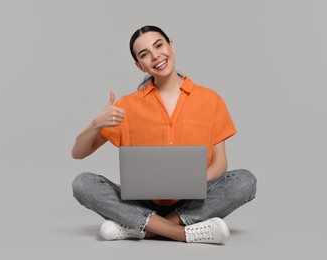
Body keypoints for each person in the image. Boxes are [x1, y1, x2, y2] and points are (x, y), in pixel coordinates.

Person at [71, 25, 257, 244]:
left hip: (193, 199)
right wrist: (96, 123)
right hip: (141, 201)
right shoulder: (127, 105)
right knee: (82, 184)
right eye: (144, 54)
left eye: (159, 45)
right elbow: (78, 153)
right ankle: (182, 233)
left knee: (245, 181)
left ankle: (143, 228)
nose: (155, 56)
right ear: (140, 66)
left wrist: (187, 182)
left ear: (171, 46)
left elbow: (220, 163)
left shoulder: (210, 99)